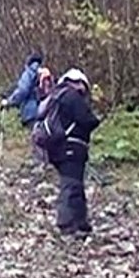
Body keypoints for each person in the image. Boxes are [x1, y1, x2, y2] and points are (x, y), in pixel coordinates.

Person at [45, 68, 100, 236]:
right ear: (77, 83)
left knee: (74, 183)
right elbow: (87, 119)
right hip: (71, 146)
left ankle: (80, 222)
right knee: (71, 185)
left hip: (58, 147)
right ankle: (67, 224)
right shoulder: (72, 97)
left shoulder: (57, 96)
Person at [0, 52, 44, 129]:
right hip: (44, 111)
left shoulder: (29, 73)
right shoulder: (43, 73)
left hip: (31, 112)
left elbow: (22, 91)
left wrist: (9, 102)